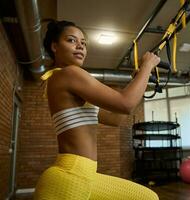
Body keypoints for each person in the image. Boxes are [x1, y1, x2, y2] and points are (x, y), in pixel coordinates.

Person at [34, 20, 160, 200]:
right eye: (71, 40)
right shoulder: (69, 73)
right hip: (70, 177)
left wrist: (139, 80)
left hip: (82, 174)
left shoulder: (63, 79)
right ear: (55, 46)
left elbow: (115, 118)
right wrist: (147, 66)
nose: (80, 46)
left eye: (83, 43)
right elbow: (125, 103)